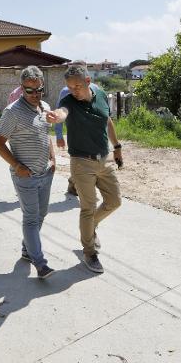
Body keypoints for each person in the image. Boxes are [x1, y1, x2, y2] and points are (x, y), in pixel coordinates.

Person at [46, 63, 123, 273]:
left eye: (77, 87)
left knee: (114, 202)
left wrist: (117, 147)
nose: (74, 91)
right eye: (70, 87)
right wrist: (56, 116)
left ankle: (89, 228)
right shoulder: (68, 101)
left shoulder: (101, 95)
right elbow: (62, 112)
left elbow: (107, 121)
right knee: (88, 208)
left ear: (88, 82)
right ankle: (89, 251)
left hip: (104, 159)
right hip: (81, 162)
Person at [0, 66, 56, 279]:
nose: (36, 94)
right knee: (31, 218)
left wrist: (53, 157)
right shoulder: (12, 112)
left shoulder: (44, 106)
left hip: (45, 173)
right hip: (25, 176)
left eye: (39, 90)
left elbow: (46, 134)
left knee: (41, 215)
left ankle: (27, 249)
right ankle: (40, 263)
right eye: (30, 91)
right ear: (22, 89)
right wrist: (17, 166)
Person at [54, 80, 100, 196]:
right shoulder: (66, 91)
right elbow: (60, 112)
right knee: (79, 161)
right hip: (75, 134)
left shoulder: (95, 89)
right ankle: (74, 183)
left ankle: (82, 184)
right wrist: (59, 136)